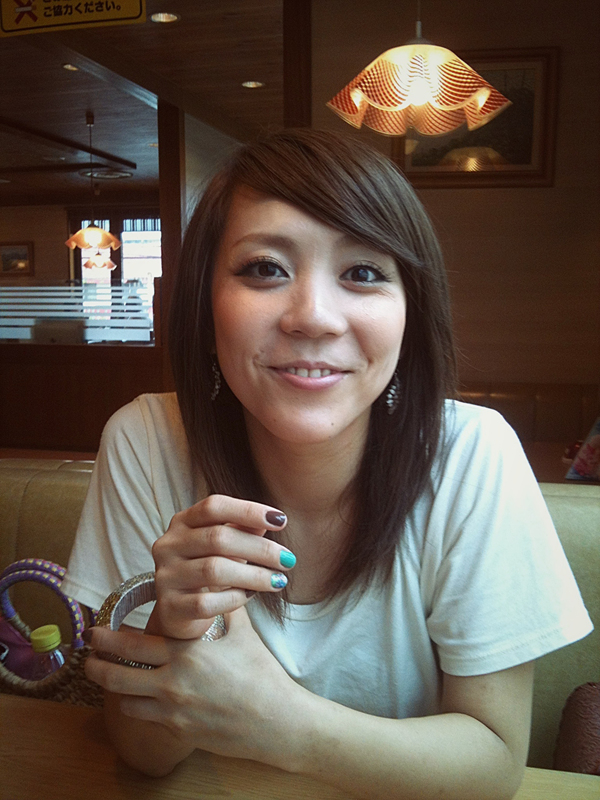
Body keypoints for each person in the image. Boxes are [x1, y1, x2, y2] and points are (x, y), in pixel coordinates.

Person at [62, 129, 592, 800]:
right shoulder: (146, 439)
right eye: (264, 269)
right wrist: (176, 620)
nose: (313, 317)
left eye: (363, 273)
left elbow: (493, 766)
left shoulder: (472, 454)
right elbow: (143, 754)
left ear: (410, 314)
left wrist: (282, 724)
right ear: (204, 306)